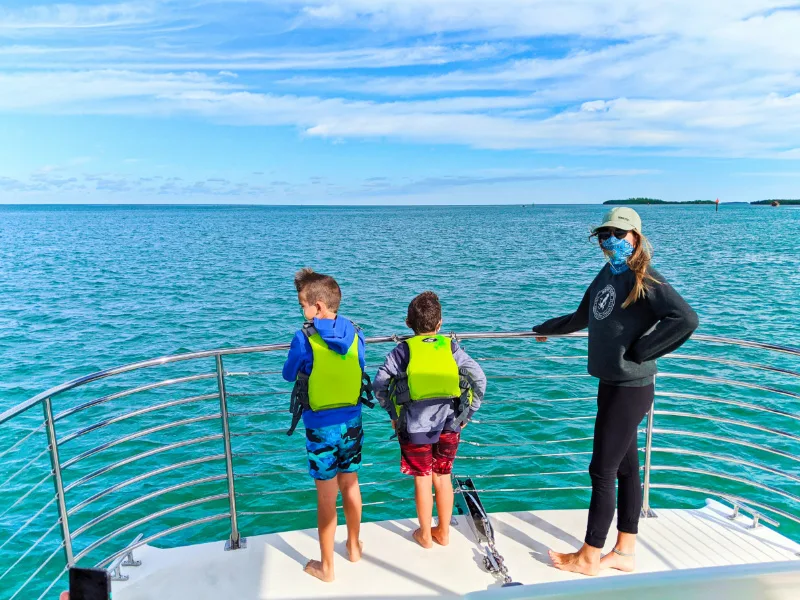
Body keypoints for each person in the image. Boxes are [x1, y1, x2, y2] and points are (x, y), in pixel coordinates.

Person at [532, 207, 698, 576]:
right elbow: (581, 317)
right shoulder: (608, 274)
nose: (611, 241)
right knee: (625, 469)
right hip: (611, 383)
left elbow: (685, 319)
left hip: (631, 387)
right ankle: (624, 551)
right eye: (606, 234)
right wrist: (544, 328)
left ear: (635, 237)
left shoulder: (646, 277)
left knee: (602, 471)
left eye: (619, 234)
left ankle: (590, 555)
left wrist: (642, 351)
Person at [373, 291, 486, 549]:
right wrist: (469, 412)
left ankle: (425, 534)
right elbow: (479, 379)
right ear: (440, 324)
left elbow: (380, 384)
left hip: (414, 427)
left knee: (422, 478)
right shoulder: (451, 347)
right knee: (443, 476)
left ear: (407, 323)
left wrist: (392, 412)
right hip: (450, 423)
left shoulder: (402, 352)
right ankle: (443, 532)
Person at [282, 268, 372, 582]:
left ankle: (328, 567)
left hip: (320, 426)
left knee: (325, 496)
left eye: (302, 306)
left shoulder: (303, 337)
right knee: (351, 484)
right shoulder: (357, 333)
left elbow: (288, 373)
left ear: (317, 307)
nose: (302, 312)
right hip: (352, 421)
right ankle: (354, 546)